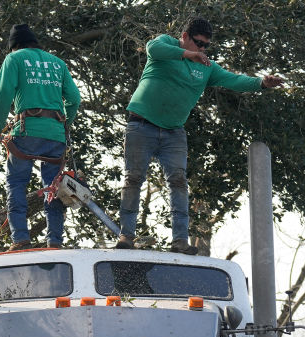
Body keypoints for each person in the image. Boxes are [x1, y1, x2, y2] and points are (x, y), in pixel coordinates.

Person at [116, 16, 283, 255]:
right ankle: (126, 235)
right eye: (198, 43)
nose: (202, 49)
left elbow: (233, 79)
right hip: (142, 125)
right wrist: (188, 55)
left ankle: (180, 241)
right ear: (184, 37)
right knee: (134, 179)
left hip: (174, 132)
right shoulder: (167, 45)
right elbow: (153, 47)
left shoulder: (206, 66)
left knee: (178, 183)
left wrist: (261, 83)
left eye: (206, 45)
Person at [0, 24, 81, 251]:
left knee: (17, 184)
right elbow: (74, 99)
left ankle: (20, 239)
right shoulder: (57, 63)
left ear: (14, 46)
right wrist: (65, 125)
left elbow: (2, 96)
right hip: (55, 135)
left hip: (26, 132)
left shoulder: (14, 59)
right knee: (53, 188)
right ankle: (55, 241)